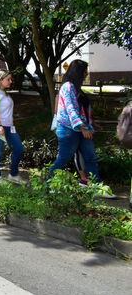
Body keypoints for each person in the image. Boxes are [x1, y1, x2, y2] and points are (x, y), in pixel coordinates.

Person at [48, 60, 111, 195]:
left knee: (90, 157)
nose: (86, 74)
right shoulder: (68, 87)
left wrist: (91, 124)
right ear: (79, 72)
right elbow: (71, 109)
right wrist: (83, 127)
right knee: (64, 158)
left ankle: (95, 187)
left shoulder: (76, 88)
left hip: (81, 129)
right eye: (85, 71)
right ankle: (49, 183)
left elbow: (81, 110)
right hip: (69, 130)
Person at [0, 69, 26, 185]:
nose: (10, 81)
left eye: (10, 79)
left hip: (8, 127)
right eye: (8, 79)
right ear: (0, 80)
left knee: (19, 148)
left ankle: (13, 175)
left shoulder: (4, 93)